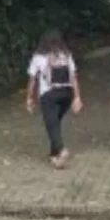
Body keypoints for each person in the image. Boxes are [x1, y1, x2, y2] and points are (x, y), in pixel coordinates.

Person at [26, 30, 83, 168]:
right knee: (55, 123)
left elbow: (32, 80)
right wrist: (77, 97)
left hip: (49, 95)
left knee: (51, 123)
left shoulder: (38, 56)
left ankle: (62, 150)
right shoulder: (66, 55)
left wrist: (29, 98)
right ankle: (54, 156)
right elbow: (73, 77)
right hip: (66, 94)